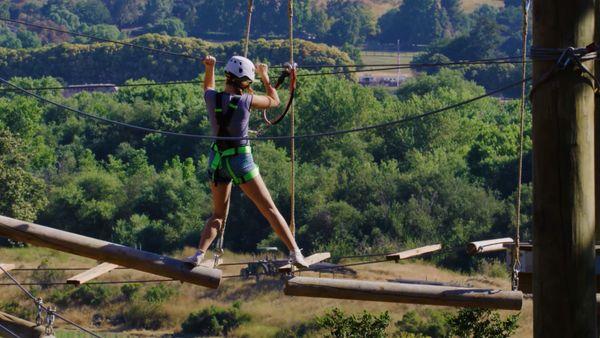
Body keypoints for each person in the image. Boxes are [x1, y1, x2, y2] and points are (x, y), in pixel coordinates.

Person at [185, 55, 309, 268]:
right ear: (245, 82)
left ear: (227, 76)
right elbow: (275, 101)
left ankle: (198, 254)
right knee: (269, 209)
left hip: (217, 162)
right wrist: (266, 78)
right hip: (240, 161)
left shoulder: (211, 98)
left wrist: (209, 67)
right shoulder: (246, 101)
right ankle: (295, 252)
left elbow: (208, 86)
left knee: (217, 215)